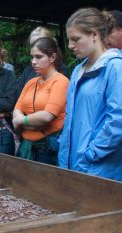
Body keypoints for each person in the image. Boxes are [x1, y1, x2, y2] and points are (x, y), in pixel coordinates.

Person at [58, 7, 122, 181]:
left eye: (76, 39)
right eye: (69, 39)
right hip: (72, 164)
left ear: (94, 35)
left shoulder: (115, 67)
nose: (70, 45)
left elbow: (118, 120)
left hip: (99, 168)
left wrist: (92, 153)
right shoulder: (78, 70)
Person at [13, 37, 69, 165]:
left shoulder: (61, 82)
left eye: (38, 57)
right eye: (32, 57)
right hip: (26, 147)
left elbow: (46, 116)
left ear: (52, 57)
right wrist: (32, 123)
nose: (33, 61)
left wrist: (21, 121)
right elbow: (17, 108)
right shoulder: (31, 82)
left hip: (47, 149)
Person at [17, 27, 68, 97]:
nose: (35, 47)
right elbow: (18, 96)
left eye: (39, 43)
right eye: (32, 45)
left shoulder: (61, 70)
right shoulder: (29, 70)